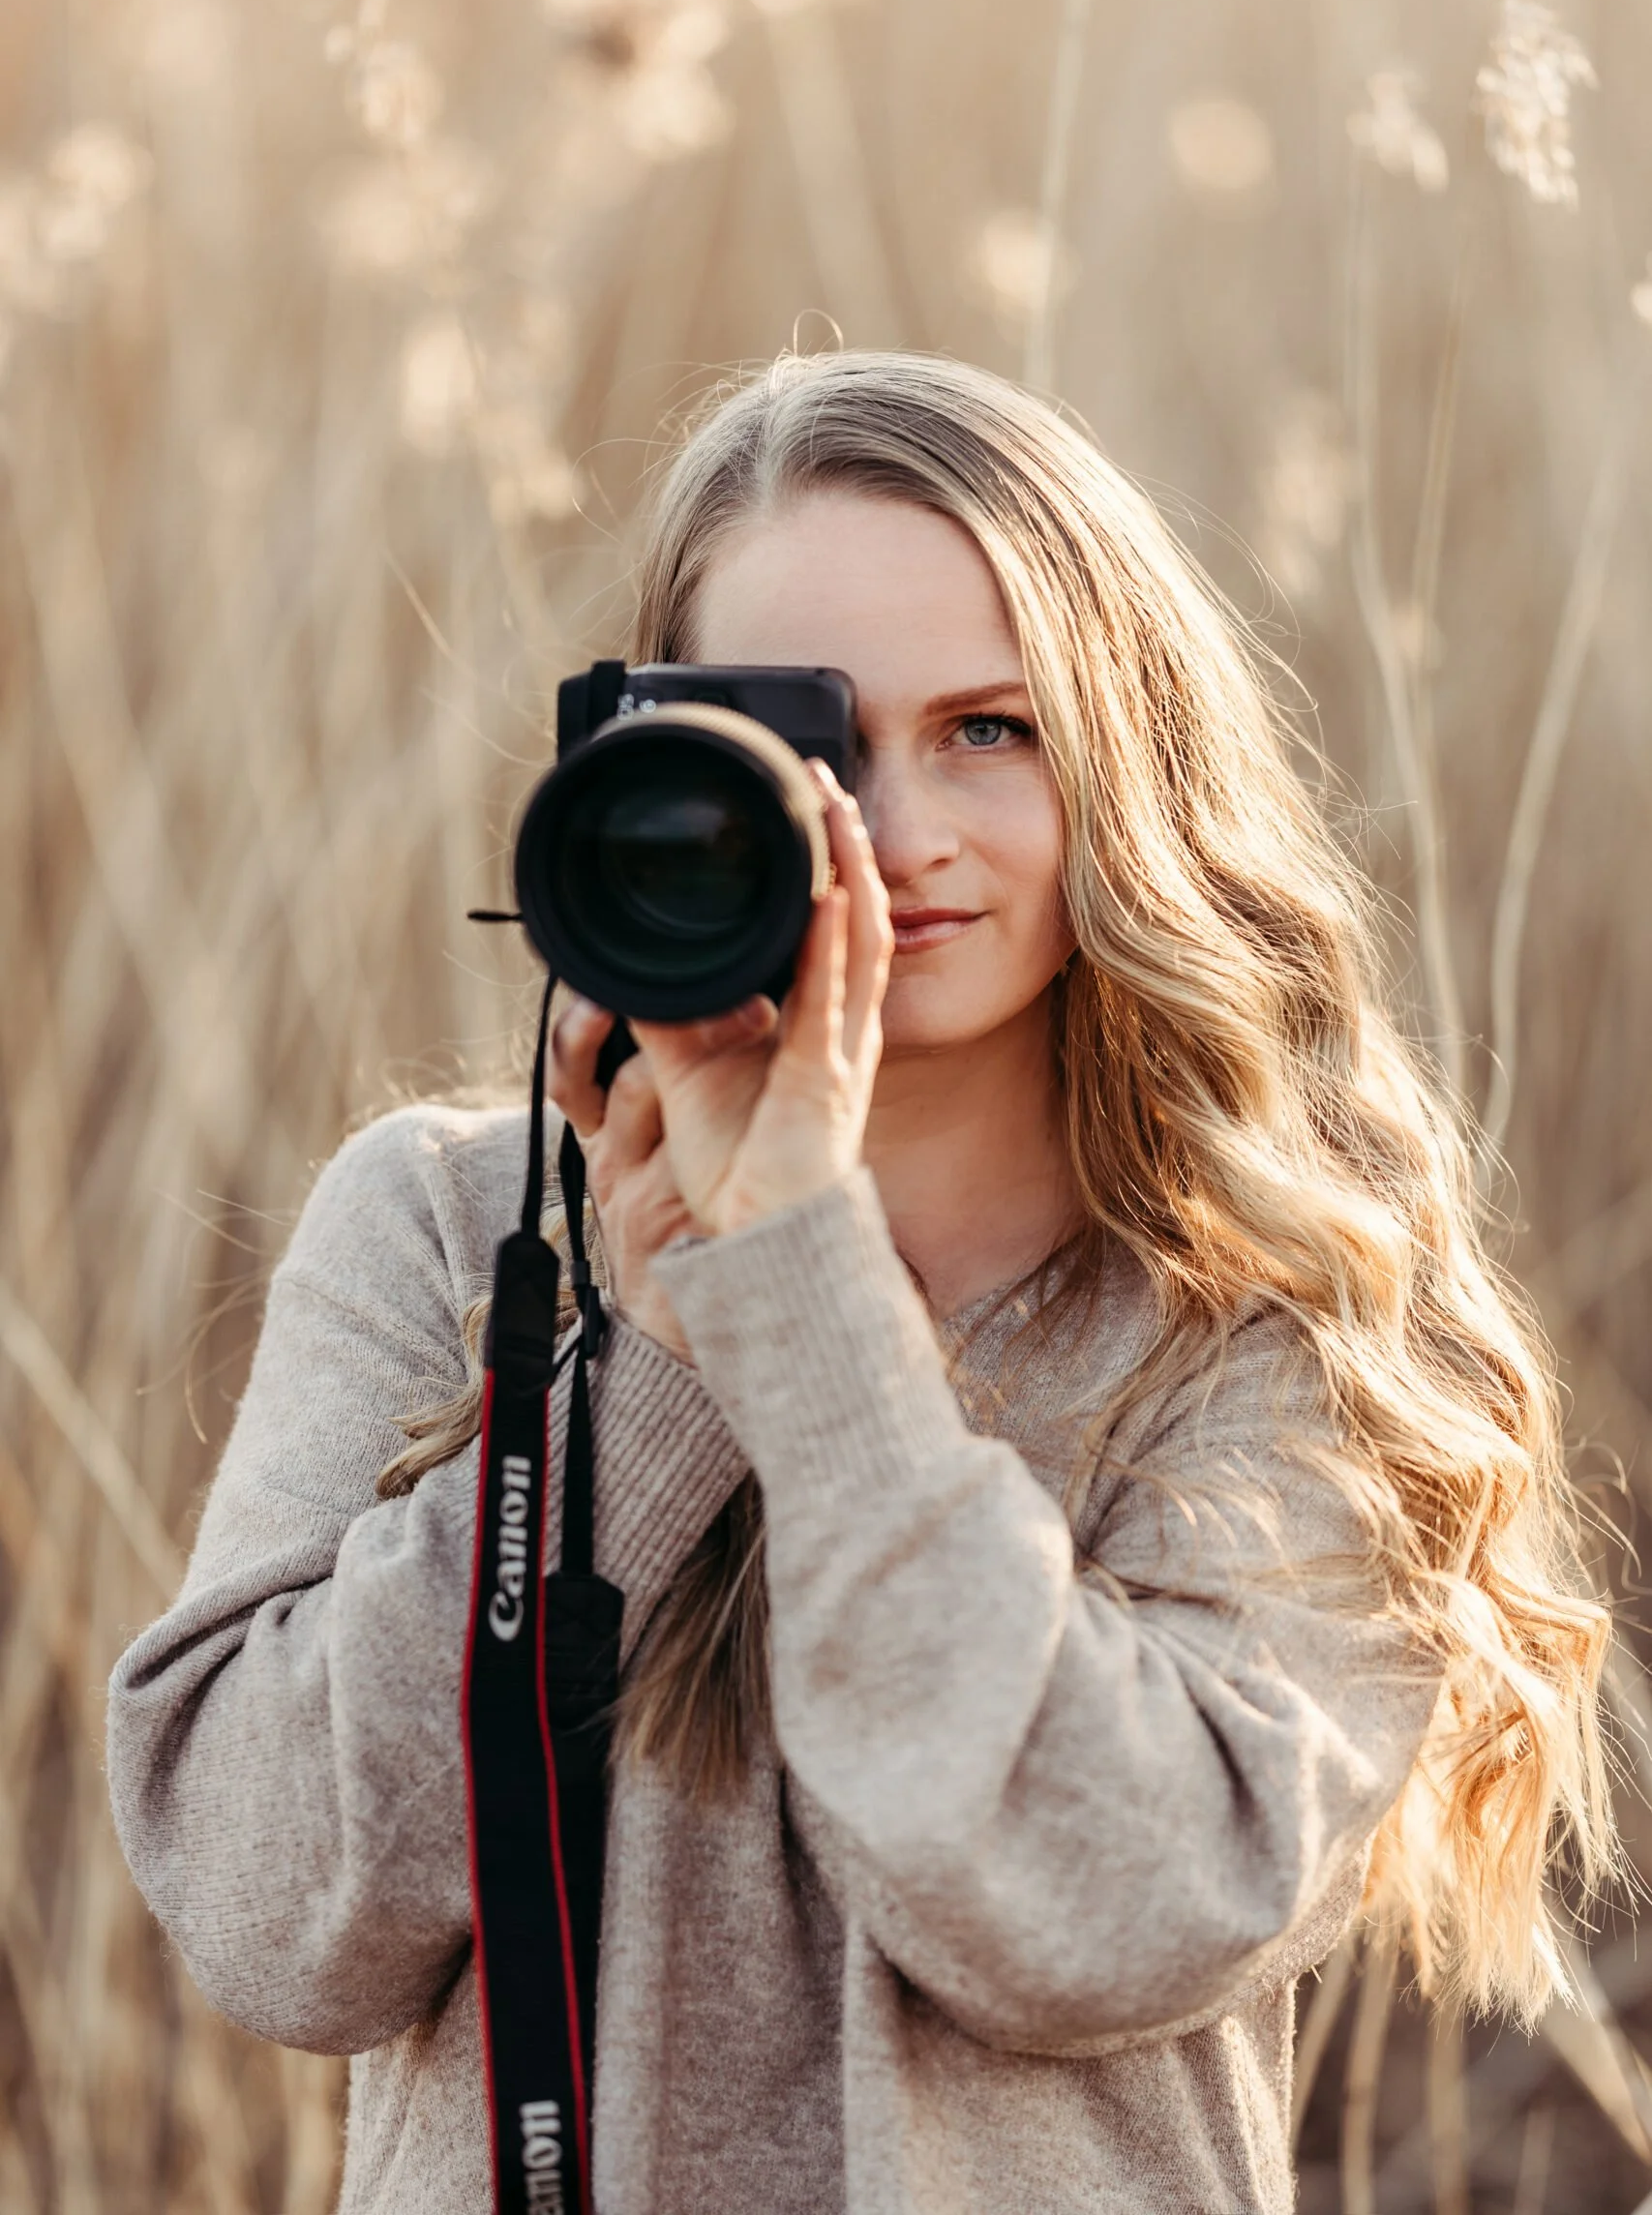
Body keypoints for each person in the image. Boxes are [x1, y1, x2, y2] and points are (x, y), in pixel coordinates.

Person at [107, 350, 1612, 2214]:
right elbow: (266, 1914)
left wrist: (800, 1300)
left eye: (991, 726)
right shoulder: (448, 1231)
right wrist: (649, 1349)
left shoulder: (1265, 1301)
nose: (891, 839)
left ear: (1123, 755)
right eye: (804, 750)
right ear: (646, 767)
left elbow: (1106, 1910)